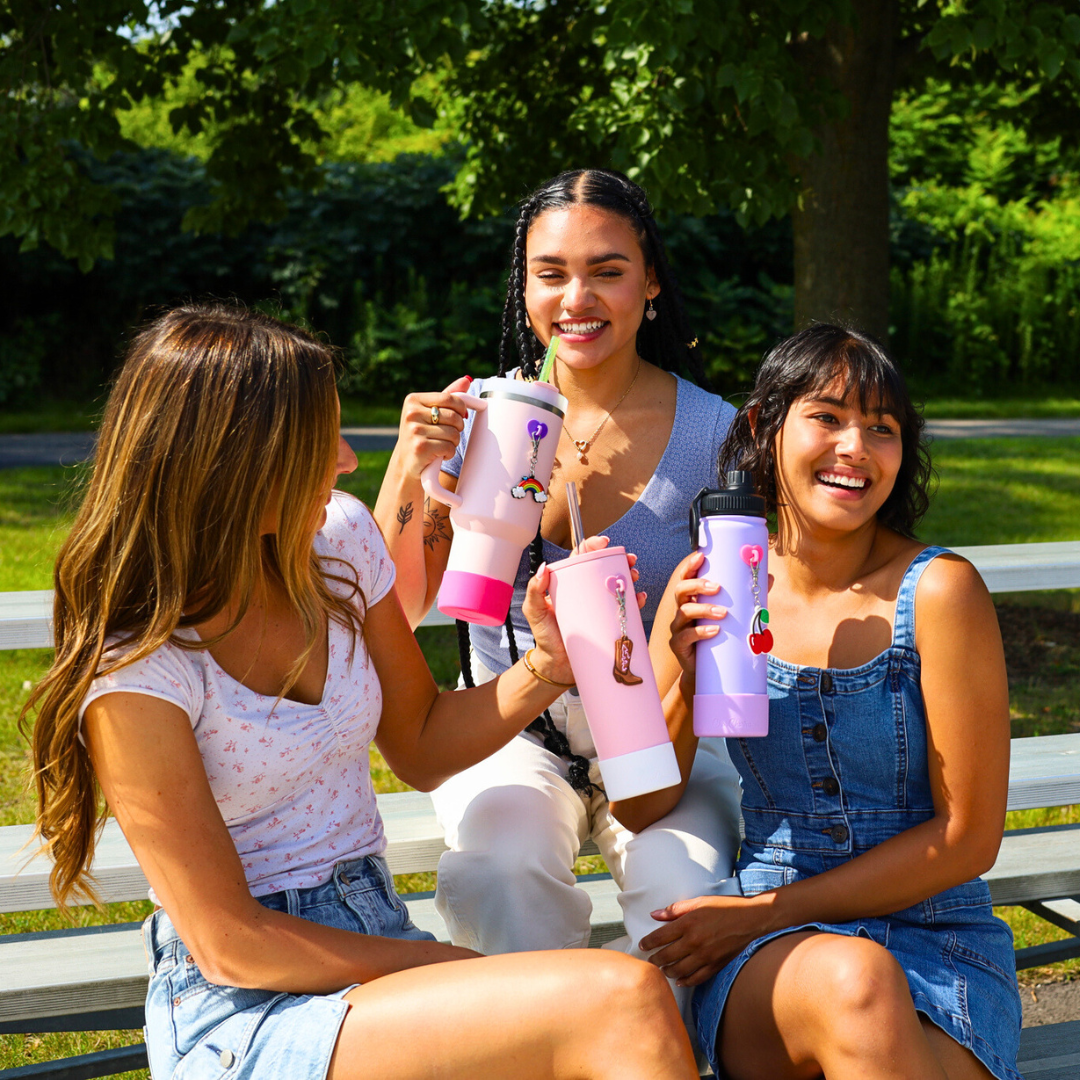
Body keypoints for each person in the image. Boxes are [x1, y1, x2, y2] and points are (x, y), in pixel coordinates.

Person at [22, 305, 700, 1080]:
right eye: (322, 442)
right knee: (620, 999)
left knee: (613, 1006)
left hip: (376, 940)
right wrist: (449, 965)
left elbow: (420, 745)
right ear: (236, 463)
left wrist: (546, 663)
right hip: (244, 1005)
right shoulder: (138, 667)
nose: (347, 462)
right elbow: (230, 943)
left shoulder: (338, 541)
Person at [373, 168, 743, 1015]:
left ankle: (655, 1050)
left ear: (651, 282)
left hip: (665, 728)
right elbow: (398, 607)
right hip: (508, 724)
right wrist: (410, 468)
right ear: (525, 286)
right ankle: (536, 1048)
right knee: (499, 876)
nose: (577, 299)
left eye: (607, 271)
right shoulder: (483, 415)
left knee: (684, 894)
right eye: (552, 273)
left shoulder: (717, 434)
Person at [637, 324, 1023, 1080]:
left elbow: (969, 839)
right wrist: (682, 679)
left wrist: (766, 911)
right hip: (771, 953)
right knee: (856, 981)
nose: (855, 447)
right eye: (827, 417)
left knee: (870, 1005)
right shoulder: (710, 584)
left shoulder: (939, 592)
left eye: (881, 428)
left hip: (936, 936)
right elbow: (642, 806)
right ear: (764, 425)